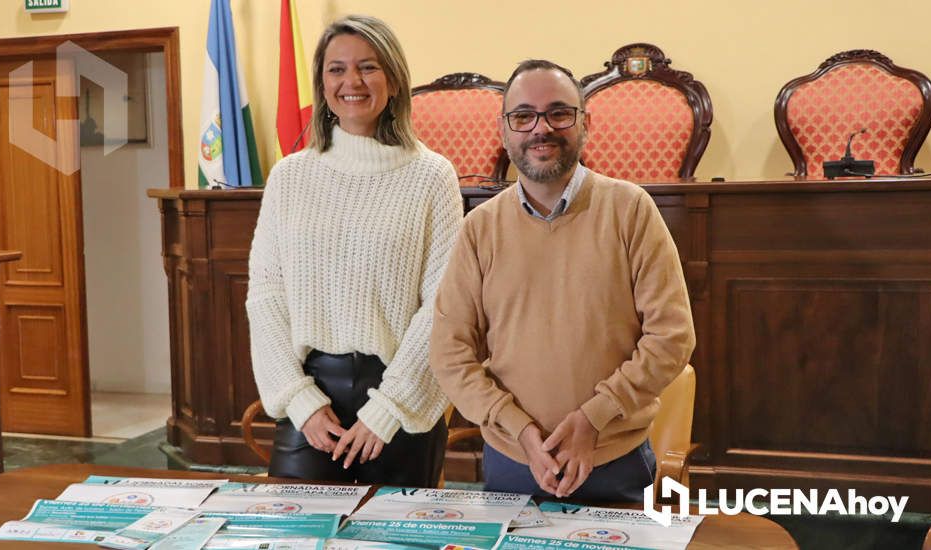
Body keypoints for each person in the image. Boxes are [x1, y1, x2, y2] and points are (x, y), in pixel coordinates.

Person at [429, 59, 695, 501]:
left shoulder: (631, 210)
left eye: (558, 113)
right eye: (523, 116)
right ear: (504, 131)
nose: (541, 128)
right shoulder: (479, 228)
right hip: (512, 461)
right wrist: (521, 430)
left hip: (615, 458)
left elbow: (671, 337)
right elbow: (448, 352)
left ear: (584, 123)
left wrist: (593, 419)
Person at [246, 14, 462, 486]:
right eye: (336, 69)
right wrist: (302, 403)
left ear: (393, 80)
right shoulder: (289, 177)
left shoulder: (432, 177)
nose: (351, 82)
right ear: (322, 83)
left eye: (367, 67)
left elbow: (442, 307)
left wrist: (388, 409)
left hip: (400, 398)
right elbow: (266, 297)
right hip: (310, 399)